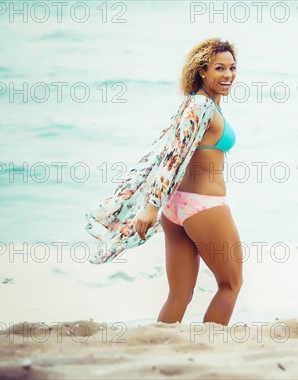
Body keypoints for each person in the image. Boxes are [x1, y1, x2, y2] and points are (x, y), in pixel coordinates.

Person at [85, 38, 243, 326]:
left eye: (232, 68)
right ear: (202, 71)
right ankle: (208, 349)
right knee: (230, 285)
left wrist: (156, 205)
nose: (228, 75)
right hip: (203, 207)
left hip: (177, 209)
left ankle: (159, 348)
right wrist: (150, 206)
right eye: (219, 68)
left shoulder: (198, 105)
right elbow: (173, 155)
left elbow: (172, 153)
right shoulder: (200, 106)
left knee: (179, 295)